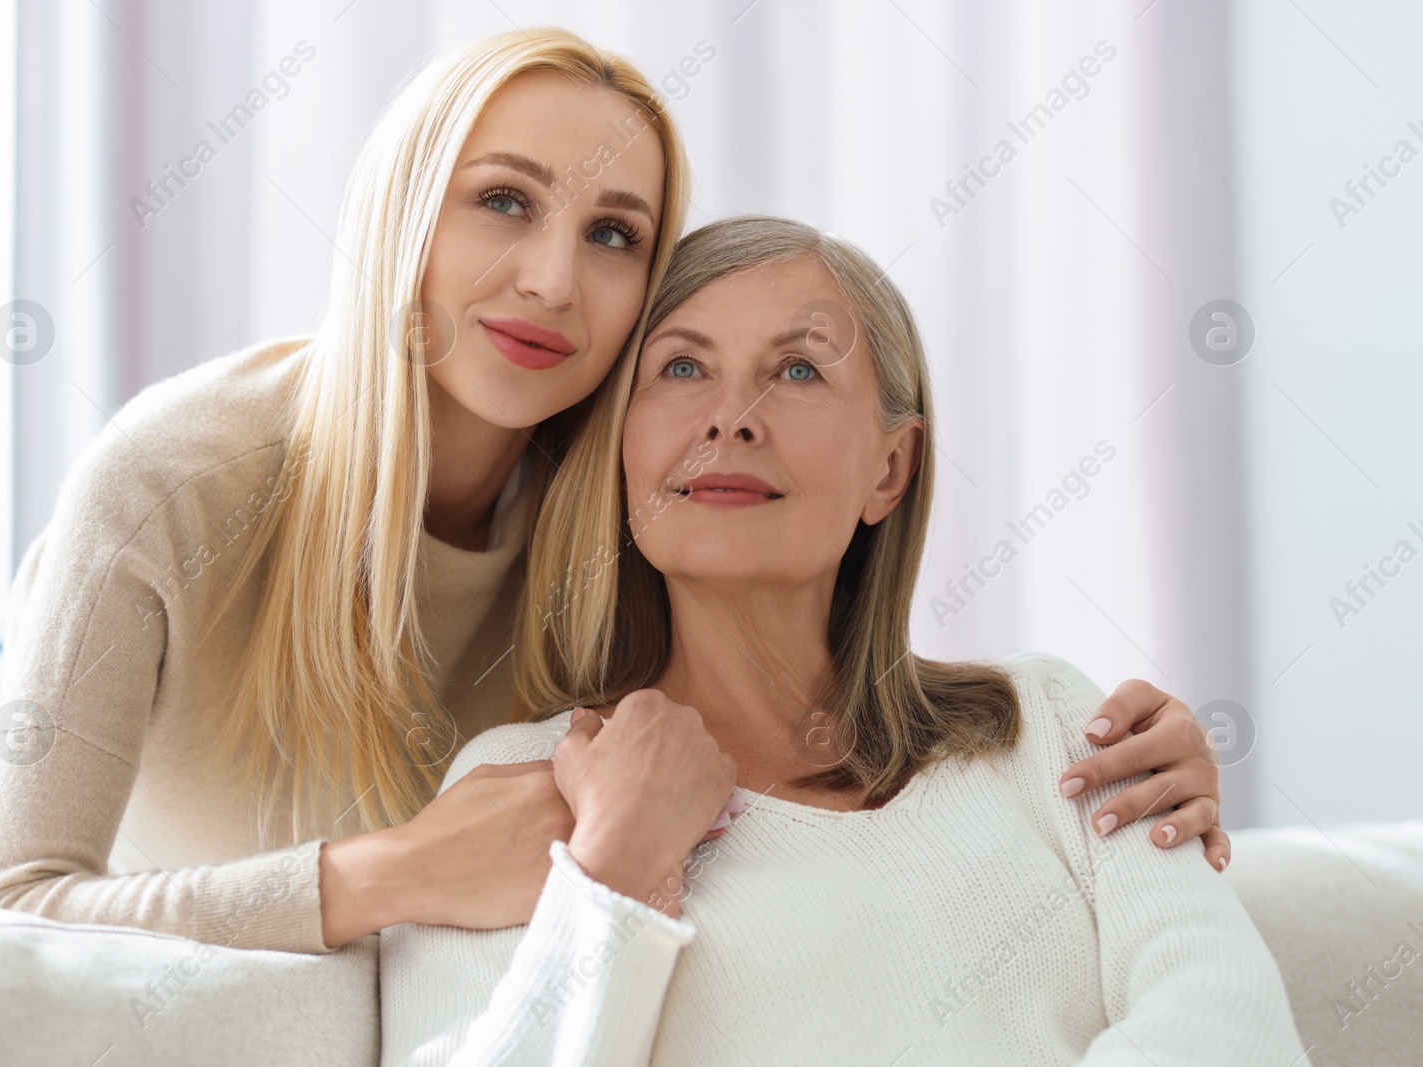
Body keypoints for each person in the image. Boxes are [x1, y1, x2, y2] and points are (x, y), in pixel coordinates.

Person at [0, 28, 1225, 959]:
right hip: (45, 775)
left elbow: (802, 678)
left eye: (614, 233)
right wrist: (390, 873)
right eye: (503, 201)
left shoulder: (619, 482)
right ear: (403, 217)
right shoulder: (175, 476)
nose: (554, 280)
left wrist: (1099, 752)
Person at [377, 216, 1305, 1065]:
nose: (730, 417)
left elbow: (1236, 1031)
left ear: (890, 468)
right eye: (683, 367)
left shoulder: (1054, 725)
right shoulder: (523, 787)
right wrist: (614, 870)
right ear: (620, 448)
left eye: (798, 369)